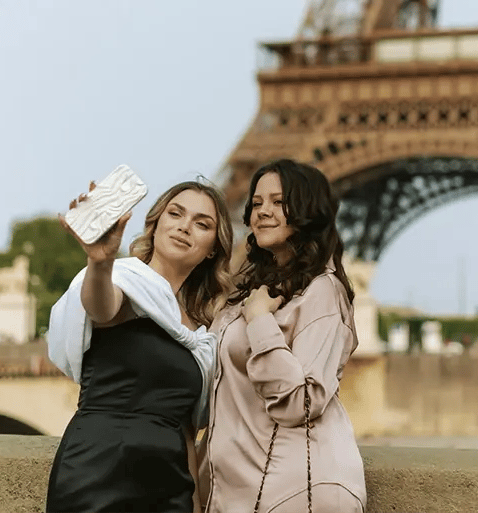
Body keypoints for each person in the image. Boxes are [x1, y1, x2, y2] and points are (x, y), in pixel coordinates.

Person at [45, 179, 233, 513]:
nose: (184, 226)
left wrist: (194, 502)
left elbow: (186, 430)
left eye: (202, 224)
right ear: (157, 222)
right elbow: (100, 306)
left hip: (169, 486)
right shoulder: (125, 282)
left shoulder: (202, 334)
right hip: (96, 472)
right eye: (175, 213)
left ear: (213, 247)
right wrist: (100, 262)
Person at [199, 159, 367, 512]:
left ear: (307, 210)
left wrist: (260, 322)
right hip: (243, 490)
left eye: (278, 202)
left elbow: (301, 402)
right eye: (257, 203)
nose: (263, 212)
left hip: (297, 489)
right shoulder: (251, 291)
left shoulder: (322, 291)